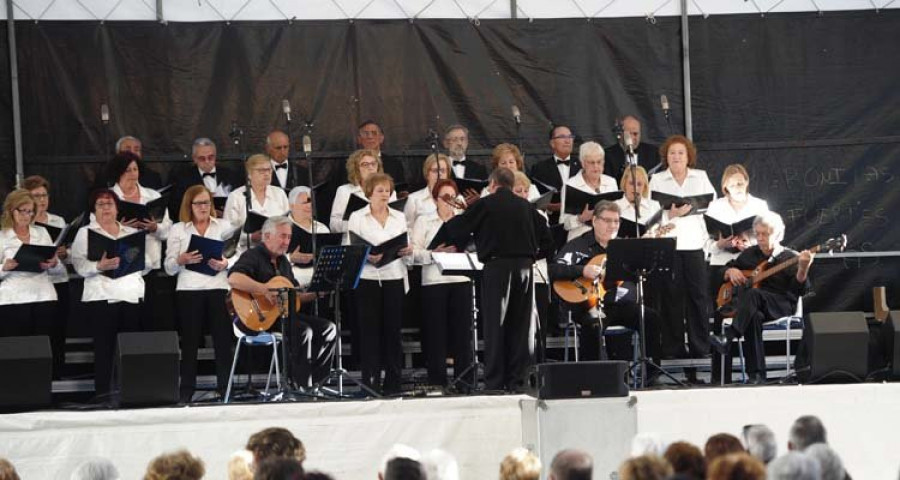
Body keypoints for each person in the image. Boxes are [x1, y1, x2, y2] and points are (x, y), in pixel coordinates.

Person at [447, 167, 552, 392]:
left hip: (497, 267)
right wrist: (532, 256)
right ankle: (519, 381)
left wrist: (464, 215)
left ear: (492, 185)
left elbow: (456, 230)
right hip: (525, 268)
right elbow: (548, 241)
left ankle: (495, 382)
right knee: (522, 326)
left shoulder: (485, 204)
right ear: (511, 184)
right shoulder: (527, 206)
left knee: (496, 324)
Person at [228, 217, 336, 388]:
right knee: (303, 330)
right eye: (283, 236)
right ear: (267, 236)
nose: (287, 242)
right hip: (256, 318)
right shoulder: (253, 255)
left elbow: (295, 296)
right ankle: (300, 388)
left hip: (281, 315)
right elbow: (234, 278)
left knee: (328, 328)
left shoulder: (284, 262)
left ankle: (318, 384)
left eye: (289, 237)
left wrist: (317, 292)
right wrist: (263, 289)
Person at [550, 199, 662, 363]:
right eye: (607, 220)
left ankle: (652, 373)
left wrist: (643, 252)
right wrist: (583, 270)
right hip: (588, 305)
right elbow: (553, 269)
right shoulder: (579, 245)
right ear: (595, 221)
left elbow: (641, 274)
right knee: (594, 323)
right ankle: (593, 375)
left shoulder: (624, 247)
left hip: (620, 304)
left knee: (651, 317)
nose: (613, 225)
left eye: (616, 221)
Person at [709, 212, 813, 383]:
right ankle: (753, 376)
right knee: (752, 315)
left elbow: (800, 289)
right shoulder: (749, 254)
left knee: (753, 295)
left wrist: (803, 269)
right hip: (754, 306)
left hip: (780, 305)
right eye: (757, 234)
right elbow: (722, 272)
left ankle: (729, 336)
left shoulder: (789, 257)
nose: (760, 238)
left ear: (778, 234)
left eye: (766, 234)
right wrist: (729, 271)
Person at [71, 189, 150, 398]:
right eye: (100, 204)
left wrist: (133, 262)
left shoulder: (131, 233)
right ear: (94, 210)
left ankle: (131, 393)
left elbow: (149, 263)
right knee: (104, 349)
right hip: (102, 297)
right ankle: (103, 394)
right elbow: (78, 265)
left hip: (130, 295)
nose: (106, 208)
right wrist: (100, 265)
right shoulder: (85, 232)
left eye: (110, 204)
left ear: (117, 208)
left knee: (130, 349)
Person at [648, 135, 717, 359]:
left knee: (698, 297)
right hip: (669, 244)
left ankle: (700, 347)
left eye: (680, 153)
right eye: (672, 153)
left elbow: (712, 206)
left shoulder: (701, 177)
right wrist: (671, 213)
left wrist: (697, 207)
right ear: (666, 157)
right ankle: (673, 348)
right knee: (671, 298)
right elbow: (650, 214)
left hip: (695, 244)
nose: (676, 157)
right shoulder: (657, 179)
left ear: (689, 157)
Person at [164, 185, 233, 402]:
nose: (203, 207)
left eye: (206, 202)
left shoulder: (223, 226)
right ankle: (187, 390)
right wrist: (180, 260)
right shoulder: (178, 229)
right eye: (198, 203)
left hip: (218, 288)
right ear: (189, 206)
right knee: (191, 342)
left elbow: (239, 253)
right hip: (189, 289)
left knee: (223, 341)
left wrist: (226, 262)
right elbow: (168, 266)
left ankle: (226, 388)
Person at [346, 173, 412, 394]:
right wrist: (366, 256)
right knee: (369, 333)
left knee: (393, 333)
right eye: (380, 190)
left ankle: (394, 384)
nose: (385, 194)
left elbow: (406, 246)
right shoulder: (357, 216)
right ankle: (370, 383)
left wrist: (406, 251)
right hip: (368, 279)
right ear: (370, 194)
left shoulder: (399, 217)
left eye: (387, 190)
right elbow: (351, 248)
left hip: (393, 275)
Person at [410, 179, 473, 388]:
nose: (449, 202)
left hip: (461, 278)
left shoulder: (464, 219)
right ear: (435, 200)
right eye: (444, 198)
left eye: (452, 197)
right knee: (436, 333)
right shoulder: (424, 221)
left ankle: (464, 382)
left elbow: (476, 245)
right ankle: (437, 382)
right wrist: (434, 253)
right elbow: (413, 254)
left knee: (462, 334)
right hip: (434, 280)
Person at [106, 151, 173, 331]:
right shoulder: (107, 198)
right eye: (127, 170)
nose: (133, 174)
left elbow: (167, 230)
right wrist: (120, 226)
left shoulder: (152, 196)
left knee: (148, 318)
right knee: (123, 321)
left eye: (135, 169)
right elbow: (95, 229)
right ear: (118, 172)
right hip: (119, 265)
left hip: (148, 263)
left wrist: (154, 227)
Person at [23, 176, 71, 376]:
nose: (41, 200)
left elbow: (68, 253)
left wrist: (64, 253)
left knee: (57, 331)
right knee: (35, 333)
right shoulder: (22, 221)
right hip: (34, 283)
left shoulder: (57, 221)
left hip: (58, 281)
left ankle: (57, 372)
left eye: (44, 195)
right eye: (36, 196)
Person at [0, 190, 62, 338]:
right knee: (18, 347)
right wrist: (4, 267)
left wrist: (54, 264)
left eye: (30, 212)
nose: (26, 216)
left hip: (43, 295)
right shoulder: (3, 235)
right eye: (22, 211)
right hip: (13, 297)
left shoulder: (42, 233)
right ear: (11, 210)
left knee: (44, 346)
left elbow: (57, 270)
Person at [705, 164, 769, 299]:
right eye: (732, 185)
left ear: (746, 182)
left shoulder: (759, 205)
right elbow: (705, 240)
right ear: (725, 187)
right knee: (721, 309)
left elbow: (769, 237)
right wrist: (720, 244)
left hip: (751, 266)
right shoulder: (715, 206)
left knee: (751, 307)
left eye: (740, 183)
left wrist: (749, 245)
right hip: (721, 265)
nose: (737, 188)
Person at [512, 172, 552, 361]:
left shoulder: (538, 216)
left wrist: (532, 255)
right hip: (515, 276)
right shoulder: (505, 216)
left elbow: (549, 246)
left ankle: (540, 363)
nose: (523, 194)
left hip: (537, 275)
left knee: (539, 324)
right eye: (518, 191)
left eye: (525, 190)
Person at [223, 153, 291, 258]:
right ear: (249, 174)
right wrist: (250, 237)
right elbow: (227, 233)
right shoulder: (236, 196)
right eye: (261, 171)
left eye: (269, 170)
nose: (267, 174)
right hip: (246, 254)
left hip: (276, 254)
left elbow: (289, 224)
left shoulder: (279, 193)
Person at [559, 141, 618, 242]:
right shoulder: (571, 185)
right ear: (582, 163)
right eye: (591, 162)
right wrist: (581, 218)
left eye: (599, 162)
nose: (596, 166)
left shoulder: (611, 182)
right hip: (580, 241)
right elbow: (563, 223)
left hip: (607, 240)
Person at [168, 137, 241, 217]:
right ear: (194, 159)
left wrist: (226, 214)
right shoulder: (183, 179)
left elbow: (240, 203)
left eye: (210, 157)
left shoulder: (231, 175)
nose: (207, 161)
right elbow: (177, 208)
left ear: (215, 156)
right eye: (202, 158)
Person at [330, 149, 397, 233]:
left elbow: (396, 220)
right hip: (356, 241)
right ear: (356, 169)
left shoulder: (389, 191)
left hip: (382, 239)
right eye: (365, 164)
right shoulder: (345, 191)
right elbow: (333, 225)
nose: (371, 167)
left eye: (373, 164)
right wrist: (356, 224)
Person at [529, 125, 581, 224]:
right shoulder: (539, 169)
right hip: (551, 223)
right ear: (552, 143)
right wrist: (550, 207)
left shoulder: (582, 166)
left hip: (578, 222)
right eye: (562, 137)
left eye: (570, 137)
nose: (567, 141)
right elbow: (534, 199)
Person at [348, 120, 407, 195]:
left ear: (381, 138)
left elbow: (401, 191)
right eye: (365, 134)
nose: (370, 137)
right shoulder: (348, 164)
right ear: (359, 139)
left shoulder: (395, 164)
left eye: (374, 133)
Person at [404, 153, 452, 229]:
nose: (439, 174)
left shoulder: (458, 199)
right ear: (427, 174)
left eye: (443, 171)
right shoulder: (414, 199)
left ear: (448, 174)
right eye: (435, 171)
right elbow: (408, 230)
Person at [604, 115, 660, 180]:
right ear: (621, 134)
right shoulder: (608, 155)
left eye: (636, 134)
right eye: (629, 134)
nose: (633, 137)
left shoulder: (653, 153)